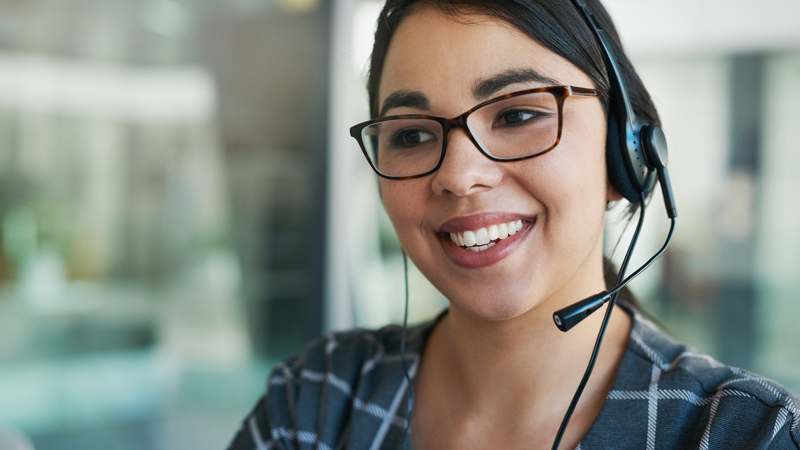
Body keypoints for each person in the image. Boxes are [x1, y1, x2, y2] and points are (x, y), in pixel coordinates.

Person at [228, 0, 800, 448]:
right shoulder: (319, 401)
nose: (459, 175)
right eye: (411, 134)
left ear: (626, 152)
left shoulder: (746, 434)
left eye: (518, 114)